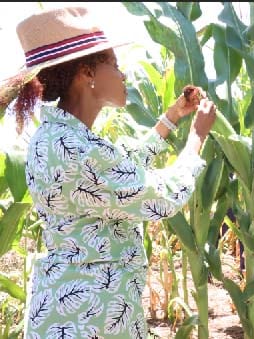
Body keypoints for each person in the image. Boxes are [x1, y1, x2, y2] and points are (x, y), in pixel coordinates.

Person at [0, 7, 216, 338]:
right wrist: (196, 139)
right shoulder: (72, 148)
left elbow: (120, 170)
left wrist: (171, 118)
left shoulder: (63, 138)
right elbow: (159, 197)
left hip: (80, 310)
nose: (123, 75)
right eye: (114, 66)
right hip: (89, 316)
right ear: (87, 74)